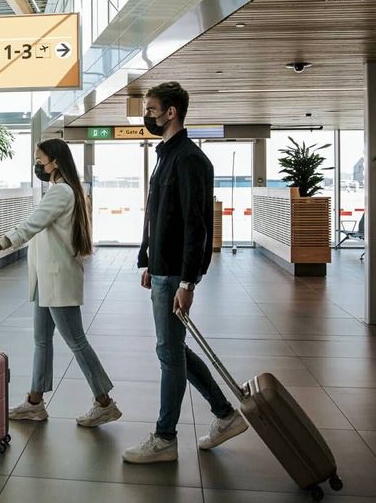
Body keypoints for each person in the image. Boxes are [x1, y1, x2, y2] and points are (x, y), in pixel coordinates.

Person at [122, 82, 248, 464]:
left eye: (152, 109)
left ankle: (165, 437)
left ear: (171, 112)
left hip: (176, 273)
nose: (148, 115)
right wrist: (148, 259)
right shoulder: (166, 156)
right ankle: (224, 415)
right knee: (172, 349)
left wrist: (187, 280)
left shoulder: (190, 159)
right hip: (163, 268)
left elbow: (196, 225)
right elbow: (157, 214)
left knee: (169, 353)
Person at [0, 138, 121, 428]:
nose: (37, 165)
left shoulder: (61, 192)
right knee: (42, 341)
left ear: (54, 161)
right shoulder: (63, 190)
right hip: (47, 279)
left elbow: (31, 225)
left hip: (58, 279)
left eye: (40, 160)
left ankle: (104, 402)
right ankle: (34, 402)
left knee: (76, 341)